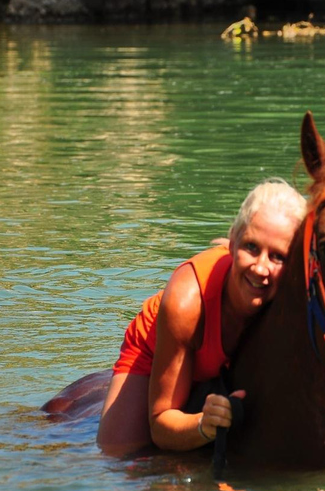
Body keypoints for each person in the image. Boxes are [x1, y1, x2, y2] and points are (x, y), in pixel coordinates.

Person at [97, 179, 307, 456]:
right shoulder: (186, 301)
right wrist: (204, 426)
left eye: (278, 256)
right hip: (153, 348)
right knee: (117, 455)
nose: (261, 268)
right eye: (251, 248)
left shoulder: (297, 294)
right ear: (232, 243)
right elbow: (161, 423)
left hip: (222, 361)